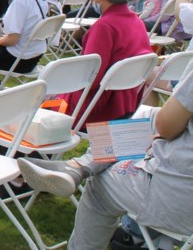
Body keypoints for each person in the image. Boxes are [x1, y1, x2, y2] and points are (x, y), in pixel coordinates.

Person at [18, 61, 193, 250]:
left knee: (100, 186)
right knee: (146, 115)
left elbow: (93, 73)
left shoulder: (106, 29)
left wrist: (168, 132)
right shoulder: (135, 30)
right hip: (124, 102)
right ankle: (78, 166)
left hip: (177, 197)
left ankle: (78, 168)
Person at [56, 0, 153, 125]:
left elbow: (90, 79)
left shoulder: (105, 27)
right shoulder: (136, 21)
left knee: (26, 116)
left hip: (97, 110)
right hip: (126, 105)